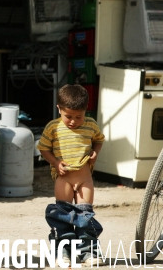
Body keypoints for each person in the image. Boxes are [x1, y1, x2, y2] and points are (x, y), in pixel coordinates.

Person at [36, 84, 105, 266]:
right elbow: (43, 148)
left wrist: (95, 153)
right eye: (68, 116)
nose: (73, 121)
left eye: (78, 117)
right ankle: (62, 251)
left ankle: (89, 252)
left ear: (85, 111)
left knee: (85, 215)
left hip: (85, 179)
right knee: (63, 216)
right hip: (64, 179)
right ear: (59, 109)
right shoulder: (53, 127)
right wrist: (56, 162)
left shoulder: (91, 125)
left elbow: (99, 140)